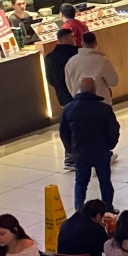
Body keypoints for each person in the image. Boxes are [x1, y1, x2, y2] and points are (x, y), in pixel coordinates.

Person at [60, 76, 120, 210]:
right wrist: (110, 145)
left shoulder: (69, 109)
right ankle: (108, 209)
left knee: (81, 182)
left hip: (80, 152)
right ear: (94, 89)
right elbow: (113, 129)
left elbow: (64, 132)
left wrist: (71, 149)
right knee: (105, 182)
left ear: (80, 89)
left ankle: (79, 209)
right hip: (101, 151)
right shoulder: (104, 108)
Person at [43, 29, 80, 166]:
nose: (75, 39)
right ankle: (85, 155)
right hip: (77, 94)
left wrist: (60, 89)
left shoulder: (49, 57)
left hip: (63, 97)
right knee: (82, 125)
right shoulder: (75, 55)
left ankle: (70, 156)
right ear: (68, 38)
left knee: (68, 126)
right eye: (73, 37)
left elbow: (50, 79)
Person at [64, 31, 120, 106]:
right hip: (101, 102)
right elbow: (114, 82)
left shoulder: (71, 62)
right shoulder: (102, 60)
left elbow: (69, 85)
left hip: (79, 103)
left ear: (82, 43)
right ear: (95, 43)